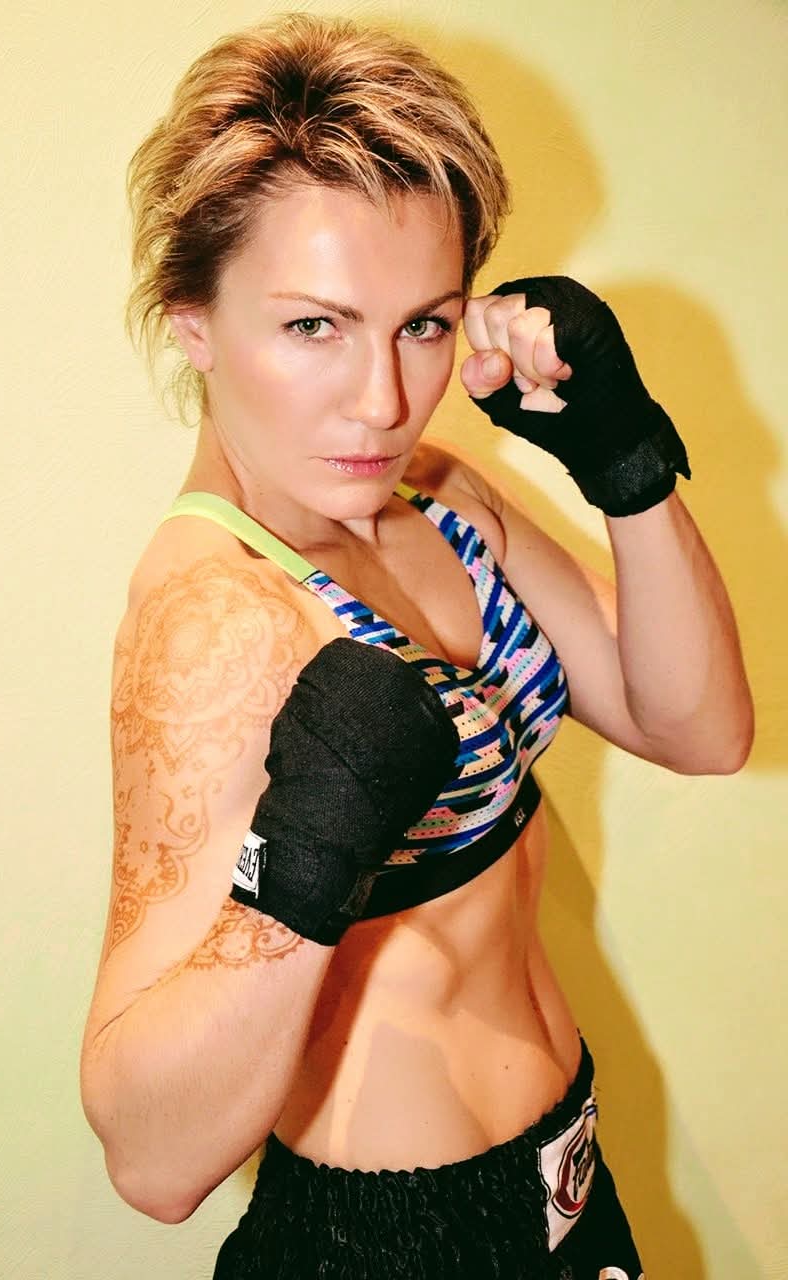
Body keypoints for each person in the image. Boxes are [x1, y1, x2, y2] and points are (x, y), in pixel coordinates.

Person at [79, 13, 753, 1278]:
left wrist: (624, 463)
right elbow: (149, 1157)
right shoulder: (216, 621)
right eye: (313, 327)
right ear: (192, 321)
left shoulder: (432, 494)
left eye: (423, 324)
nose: (382, 400)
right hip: (387, 1238)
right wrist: (301, 865)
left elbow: (697, 728)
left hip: (560, 1177)